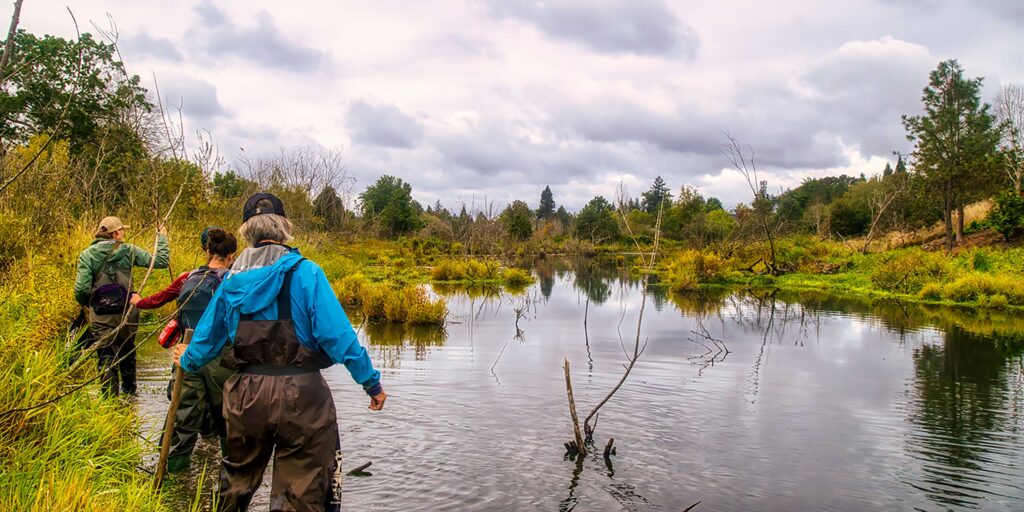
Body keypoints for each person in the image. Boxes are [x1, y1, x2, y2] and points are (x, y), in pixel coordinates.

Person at [174, 193, 387, 511]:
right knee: (300, 495)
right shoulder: (307, 273)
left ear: (247, 233)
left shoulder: (231, 282)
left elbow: (206, 341)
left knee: (235, 487)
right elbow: (340, 339)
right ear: (284, 227)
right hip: (303, 399)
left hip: (246, 397)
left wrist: (186, 358)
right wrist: (371, 384)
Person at [131, 226, 237, 473]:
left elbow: (156, 300)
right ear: (232, 256)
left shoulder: (187, 277)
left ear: (207, 250)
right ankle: (231, 480)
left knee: (182, 419)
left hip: (185, 357)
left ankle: (172, 478)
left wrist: (138, 301)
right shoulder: (234, 282)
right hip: (221, 362)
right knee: (229, 422)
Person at [74, 216, 169, 397]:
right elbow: (161, 261)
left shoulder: (87, 255)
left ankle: (110, 405)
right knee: (127, 352)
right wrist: (162, 236)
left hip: (101, 316)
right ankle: (130, 397)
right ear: (116, 233)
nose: (123, 233)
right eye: (122, 230)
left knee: (106, 356)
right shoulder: (129, 251)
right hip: (128, 311)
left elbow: (81, 289)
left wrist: (91, 304)